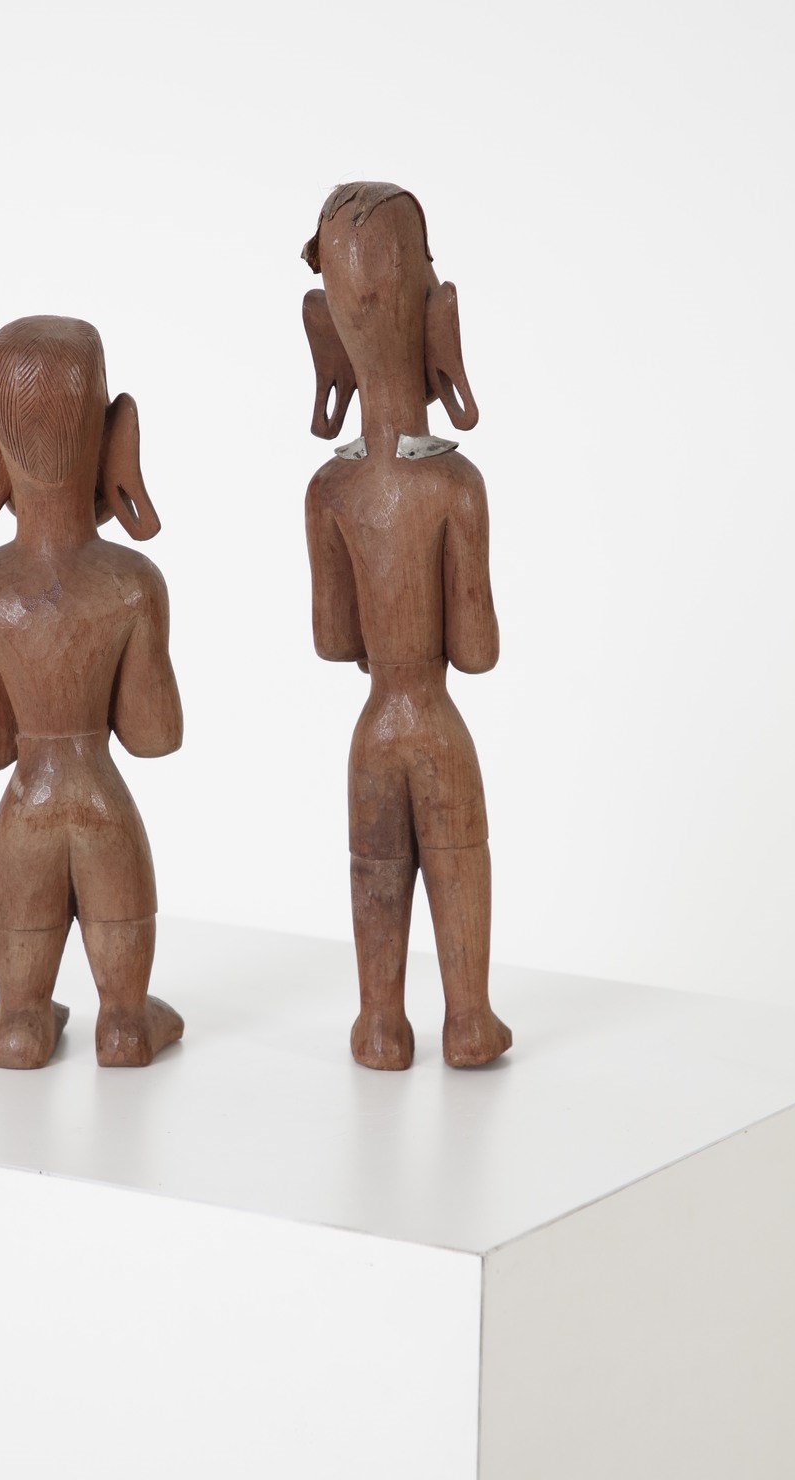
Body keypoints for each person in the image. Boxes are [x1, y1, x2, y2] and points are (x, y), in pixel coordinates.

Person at [303, 184, 512, 1069]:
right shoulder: (453, 485)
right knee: (456, 858)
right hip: (433, 720)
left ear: (323, 332)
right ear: (440, 319)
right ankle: (468, 1021)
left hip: (373, 727)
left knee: (375, 872)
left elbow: (333, 641)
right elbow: (477, 649)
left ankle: (380, 1026)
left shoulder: (330, 490)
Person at [0, 315, 183, 1068]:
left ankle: (22, 1021)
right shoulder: (132, 585)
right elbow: (154, 735)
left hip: (26, 809)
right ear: (118, 439)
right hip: (103, 802)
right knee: (126, 1025)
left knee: (16, 1024)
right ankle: (124, 1021)